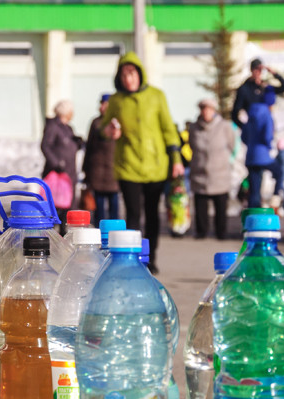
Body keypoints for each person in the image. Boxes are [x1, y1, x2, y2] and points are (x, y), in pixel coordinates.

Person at [101, 52, 183, 274]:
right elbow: (105, 126)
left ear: (139, 73)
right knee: (134, 215)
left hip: (156, 166)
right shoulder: (116, 100)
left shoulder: (157, 96)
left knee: (152, 214)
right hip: (128, 166)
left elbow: (168, 129)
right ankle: (134, 258)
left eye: (132, 73)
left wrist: (176, 158)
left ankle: (152, 257)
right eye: (124, 74)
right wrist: (109, 131)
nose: (129, 78)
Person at [188, 97, 233, 240]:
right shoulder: (194, 127)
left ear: (214, 110)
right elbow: (191, 145)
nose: (206, 112)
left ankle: (221, 232)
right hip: (200, 172)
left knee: (220, 205)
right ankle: (201, 231)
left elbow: (231, 144)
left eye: (209, 109)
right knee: (200, 204)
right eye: (203, 109)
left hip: (219, 172)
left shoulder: (224, 126)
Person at [41, 100, 83, 233]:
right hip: (57, 175)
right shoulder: (53, 126)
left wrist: (77, 142)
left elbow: (67, 143)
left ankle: (64, 234)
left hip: (69, 174)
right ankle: (52, 235)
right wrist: (56, 163)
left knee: (67, 207)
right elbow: (45, 146)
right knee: (55, 206)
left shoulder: (68, 127)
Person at [242, 86, 282, 209]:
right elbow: (267, 135)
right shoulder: (267, 115)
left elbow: (244, 136)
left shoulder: (251, 113)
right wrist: (269, 145)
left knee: (255, 188)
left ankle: (254, 216)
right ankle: (275, 197)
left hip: (251, 156)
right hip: (263, 155)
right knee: (279, 172)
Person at [83, 94, 120, 222]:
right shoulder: (96, 122)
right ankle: (99, 230)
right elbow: (89, 147)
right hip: (97, 170)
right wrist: (85, 168)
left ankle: (113, 230)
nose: (102, 107)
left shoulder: (117, 123)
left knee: (114, 203)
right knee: (98, 203)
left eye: (105, 104)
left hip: (113, 170)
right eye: (102, 103)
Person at [231, 57, 284, 129]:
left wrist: (274, 73)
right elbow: (235, 112)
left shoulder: (266, 87)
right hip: (253, 125)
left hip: (267, 124)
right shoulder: (244, 89)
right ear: (251, 70)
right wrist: (244, 128)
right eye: (255, 69)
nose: (258, 72)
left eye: (260, 70)